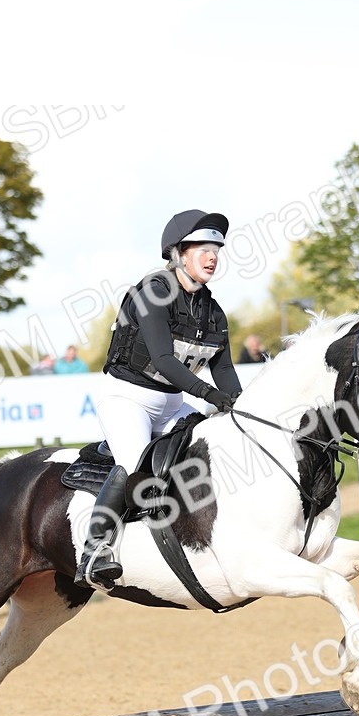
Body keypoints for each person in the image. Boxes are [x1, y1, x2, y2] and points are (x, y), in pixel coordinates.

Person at [74, 209, 242, 589]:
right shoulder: (154, 291)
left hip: (169, 404)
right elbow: (165, 361)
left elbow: (225, 371)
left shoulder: (212, 312)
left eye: (216, 247)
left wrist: (240, 407)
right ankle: (95, 549)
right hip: (126, 397)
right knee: (137, 464)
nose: (213, 255)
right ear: (178, 254)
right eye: (202, 247)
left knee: (211, 452)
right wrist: (209, 396)